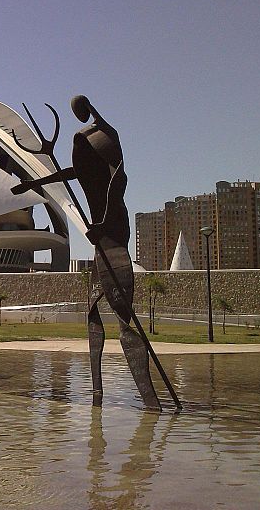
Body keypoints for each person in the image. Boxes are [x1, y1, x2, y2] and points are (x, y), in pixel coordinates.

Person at [13, 95, 161, 410]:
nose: (76, 116)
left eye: (78, 111)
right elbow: (75, 174)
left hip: (113, 234)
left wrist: (104, 223)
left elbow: (117, 180)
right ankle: (97, 397)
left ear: (87, 108)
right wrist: (37, 182)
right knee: (92, 312)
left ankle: (150, 400)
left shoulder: (105, 138)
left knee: (124, 318)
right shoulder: (88, 140)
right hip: (100, 236)